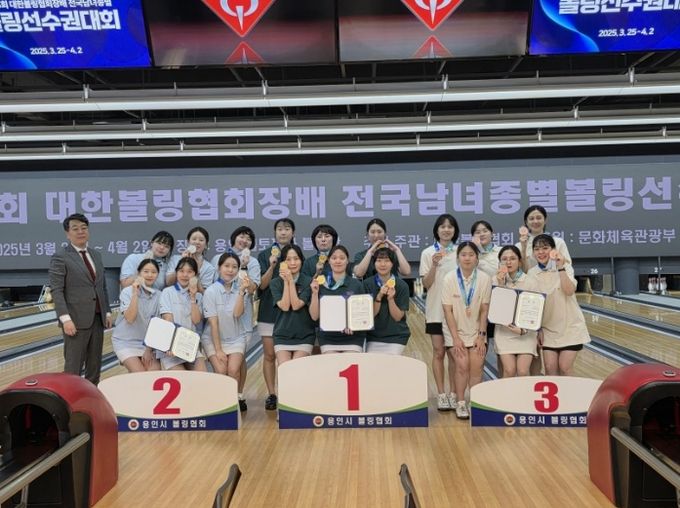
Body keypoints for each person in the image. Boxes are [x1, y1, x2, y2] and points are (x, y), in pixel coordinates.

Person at [49, 213, 112, 384]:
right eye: (75, 228)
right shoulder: (61, 256)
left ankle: (91, 396)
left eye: (84, 228)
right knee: (73, 367)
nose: (80, 232)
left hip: (97, 318)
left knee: (94, 366)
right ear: (67, 233)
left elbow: (102, 286)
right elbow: (57, 290)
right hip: (75, 320)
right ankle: (70, 398)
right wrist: (65, 319)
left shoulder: (96, 255)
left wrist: (107, 312)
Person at [211, 226, 260, 411]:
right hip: (219, 320)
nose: (244, 240)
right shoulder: (217, 258)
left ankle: (239, 395)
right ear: (234, 237)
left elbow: (252, 289)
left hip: (242, 321)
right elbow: (212, 286)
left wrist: (244, 267)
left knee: (238, 361)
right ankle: (223, 397)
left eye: (248, 238)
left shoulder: (252, 262)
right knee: (222, 364)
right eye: (241, 236)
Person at [441, 242, 492, 419]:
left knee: (477, 367)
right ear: (458, 258)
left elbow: (484, 309)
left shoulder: (484, 279)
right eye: (463, 254)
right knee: (462, 366)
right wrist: (456, 338)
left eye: (471, 254)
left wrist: (481, 335)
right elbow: (447, 311)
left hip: (477, 331)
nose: (467, 258)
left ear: (477, 258)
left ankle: (474, 402)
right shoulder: (449, 278)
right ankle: (461, 402)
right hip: (454, 330)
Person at [527, 235, 590, 376]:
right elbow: (533, 304)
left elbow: (569, 290)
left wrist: (560, 267)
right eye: (537, 249)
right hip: (547, 329)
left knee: (565, 367)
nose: (541, 252)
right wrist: (538, 329)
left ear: (553, 250)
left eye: (545, 248)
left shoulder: (565, 267)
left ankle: (570, 392)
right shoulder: (532, 273)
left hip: (570, 327)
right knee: (550, 368)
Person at [419, 213, 459, 411]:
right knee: (438, 352)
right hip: (435, 311)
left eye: (450, 226)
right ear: (436, 230)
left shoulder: (461, 252)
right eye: (442, 226)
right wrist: (434, 265)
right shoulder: (428, 253)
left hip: (456, 312)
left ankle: (454, 393)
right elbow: (426, 284)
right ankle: (441, 394)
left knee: (454, 354)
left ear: (455, 230)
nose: (446, 229)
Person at [257, 218, 296, 410]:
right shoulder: (265, 255)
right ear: (274, 232)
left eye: (287, 229)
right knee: (270, 355)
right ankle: (272, 394)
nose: (283, 232)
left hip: (291, 313)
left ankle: (290, 392)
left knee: (289, 356)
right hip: (268, 311)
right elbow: (261, 286)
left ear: (293, 233)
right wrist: (272, 266)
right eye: (279, 229)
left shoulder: (296, 254)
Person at [202, 253, 250, 403]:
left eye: (234, 267)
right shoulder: (211, 291)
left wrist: (241, 292)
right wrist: (218, 350)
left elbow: (237, 314)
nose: (230, 270)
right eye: (226, 266)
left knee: (234, 370)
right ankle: (222, 403)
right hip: (212, 339)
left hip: (236, 337)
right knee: (221, 371)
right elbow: (213, 323)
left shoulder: (241, 290)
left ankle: (234, 404)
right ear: (219, 268)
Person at [309, 245, 366, 354]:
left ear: (347, 261)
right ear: (329, 261)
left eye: (342, 258)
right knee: (332, 364)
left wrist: (354, 325)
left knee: (350, 364)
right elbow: (314, 316)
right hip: (328, 337)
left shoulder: (356, 284)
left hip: (353, 337)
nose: (338, 261)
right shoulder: (320, 284)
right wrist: (315, 294)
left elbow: (362, 313)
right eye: (334, 258)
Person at [492, 246, 538, 377]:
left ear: (520, 261)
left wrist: (524, 330)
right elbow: (497, 311)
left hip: (526, 333)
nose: (508, 262)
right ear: (500, 262)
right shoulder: (495, 280)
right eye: (504, 259)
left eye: (512, 258)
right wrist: (501, 285)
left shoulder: (530, 281)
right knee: (509, 370)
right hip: (504, 332)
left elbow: (535, 311)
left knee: (523, 371)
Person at [112, 259, 161, 372]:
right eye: (146, 271)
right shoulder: (127, 292)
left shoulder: (159, 295)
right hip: (125, 342)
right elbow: (130, 318)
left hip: (147, 344)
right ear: (139, 273)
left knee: (154, 373)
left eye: (153, 272)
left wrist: (148, 349)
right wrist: (135, 294)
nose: (150, 275)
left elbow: (157, 326)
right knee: (140, 374)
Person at [158, 257, 206, 371]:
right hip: (170, 345)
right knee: (182, 379)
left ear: (195, 275)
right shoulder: (167, 292)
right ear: (176, 273)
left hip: (189, 344)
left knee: (203, 377)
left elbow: (196, 321)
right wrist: (170, 345)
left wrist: (193, 297)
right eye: (181, 271)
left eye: (189, 271)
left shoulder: (199, 296)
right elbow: (168, 319)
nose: (185, 275)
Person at [270, 245, 315, 364]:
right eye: (288, 259)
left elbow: (296, 305)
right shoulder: (275, 283)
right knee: (284, 369)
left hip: (304, 335)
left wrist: (290, 280)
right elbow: (285, 306)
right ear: (282, 263)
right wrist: (286, 281)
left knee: (297, 368)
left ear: (301, 260)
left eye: (296, 259)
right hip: (282, 335)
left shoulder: (308, 281)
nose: (293, 263)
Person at [362, 248, 410, 354]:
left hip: (396, 336)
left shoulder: (402, 286)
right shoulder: (367, 284)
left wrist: (391, 299)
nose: (383, 264)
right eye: (379, 260)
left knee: (389, 362)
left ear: (392, 264)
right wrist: (378, 297)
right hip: (372, 336)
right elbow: (369, 315)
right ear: (374, 263)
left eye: (387, 260)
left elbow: (397, 317)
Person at [517, 205, 571, 273]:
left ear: (545, 220)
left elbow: (568, 266)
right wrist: (523, 248)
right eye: (531, 219)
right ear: (526, 222)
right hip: (530, 279)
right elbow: (519, 272)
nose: (535, 221)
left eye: (539, 218)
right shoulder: (519, 246)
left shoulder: (558, 242)